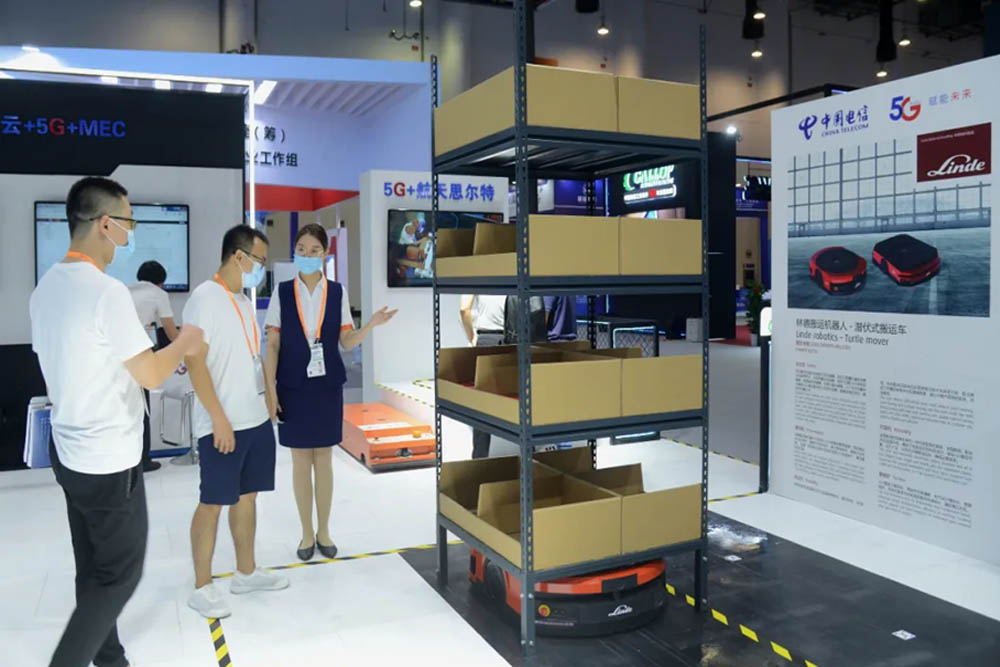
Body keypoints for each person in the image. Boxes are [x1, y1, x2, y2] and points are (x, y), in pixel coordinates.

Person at [29, 176, 204, 667]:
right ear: (105, 224)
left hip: (69, 452)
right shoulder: (106, 293)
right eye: (129, 221)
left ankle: (110, 658)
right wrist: (185, 341)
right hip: (108, 458)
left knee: (92, 567)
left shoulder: (45, 288)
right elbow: (150, 374)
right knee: (120, 575)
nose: (132, 231)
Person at [264, 224, 397, 561]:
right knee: (299, 460)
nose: (306, 255)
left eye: (314, 250)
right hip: (292, 385)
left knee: (323, 458)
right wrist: (270, 390)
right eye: (301, 249)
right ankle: (306, 533)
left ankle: (323, 531)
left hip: (326, 385)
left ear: (325, 254)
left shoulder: (337, 292)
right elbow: (273, 344)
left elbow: (346, 341)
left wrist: (369, 326)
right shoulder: (282, 292)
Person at [183, 224, 288, 619]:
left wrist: (269, 393)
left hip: (254, 418)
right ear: (238, 256)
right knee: (212, 502)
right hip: (221, 424)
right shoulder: (203, 299)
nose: (262, 268)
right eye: (259, 260)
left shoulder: (243, 301)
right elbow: (195, 363)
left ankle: (246, 572)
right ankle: (201, 586)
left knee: (248, 496)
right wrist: (218, 419)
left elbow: (252, 356)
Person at [128, 260, 180, 473]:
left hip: (117, 355)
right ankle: (142, 460)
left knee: (127, 408)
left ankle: (128, 461)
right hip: (139, 356)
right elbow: (170, 330)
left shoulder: (126, 290)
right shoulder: (159, 294)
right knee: (143, 408)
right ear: (161, 281)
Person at [459, 294, 506, 459]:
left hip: (486, 338)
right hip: (511, 337)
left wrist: (472, 337)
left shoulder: (477, 278)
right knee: (518, 398)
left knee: (482, 403)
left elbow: (464, 309)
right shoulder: (511, 278)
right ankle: (528, 458)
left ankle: (480, 459)